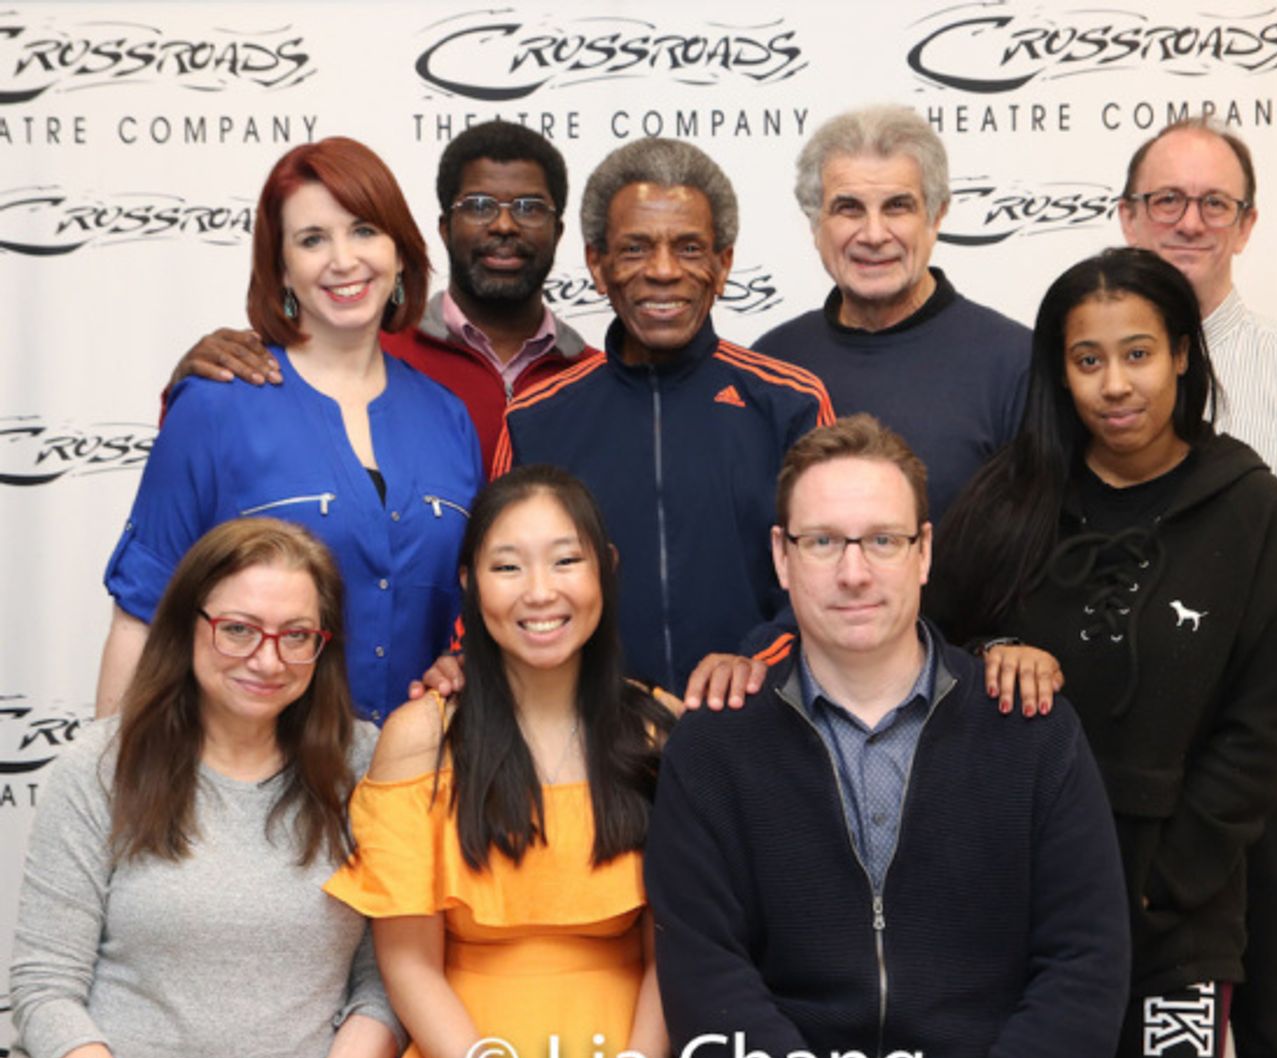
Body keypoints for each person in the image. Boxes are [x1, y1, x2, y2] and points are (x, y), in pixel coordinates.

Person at [645, 415, 1131, 1058]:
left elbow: (1084, 967)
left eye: (882, 540)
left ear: (924, 552)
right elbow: (707, 982)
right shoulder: (714, 750)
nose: (854, 572)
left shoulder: (1029, 733)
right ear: (782, 557)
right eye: (822, 542)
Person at [932, 248, 1277, 1058]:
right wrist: (992, 646)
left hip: (1179, 912)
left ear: (1183, 353)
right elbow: (920, 654)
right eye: (1087, 359)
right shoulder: (1008, 497)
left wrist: (1156, 886)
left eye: (1138, 353)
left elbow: (1263, 731)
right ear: (1059, 372)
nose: (1115, 385)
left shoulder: (1253, 509)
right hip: (1018, 914)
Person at [3, 518, 401, 1058]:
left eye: (296, 635)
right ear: (186, 625)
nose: (268, 661)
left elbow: (385, 984)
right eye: (237, 630)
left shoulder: (365, 766)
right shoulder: (98, 767)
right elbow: (46, 988)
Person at [1119, 118, 1277, 1058]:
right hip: (1117, 777)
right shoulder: (1073, 368)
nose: (1187, 221)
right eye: (1164, 200)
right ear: (1126, 215)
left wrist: (1204, 719)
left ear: (1246, 224)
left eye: (1212, 203)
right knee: (1143, 1024)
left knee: (1275, 1030)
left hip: (1246, 771)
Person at [325, 465, 684, 1058]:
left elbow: (677, 951)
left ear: (605, 569)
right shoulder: (421, 738)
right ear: (470, 584)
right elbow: (408, 965)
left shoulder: (661, 732)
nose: (540, 592)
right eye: (508, 567)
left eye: (566, 560)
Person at [96, 136, 482, 724]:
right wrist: (114, 796)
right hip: (251, 785)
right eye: (312, 240)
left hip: (417, 785)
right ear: (281, 267)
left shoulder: (447, 418)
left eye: (363, 231)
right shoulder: (215, 405)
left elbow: (470, 617)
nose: (344, 260)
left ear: (400, 252)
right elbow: (140, 616)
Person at [490, 137, 835, 698]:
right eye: (635, 249)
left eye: (690, 248)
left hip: (758, 726)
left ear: (722, 265)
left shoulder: (789, 403)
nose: (664, 270)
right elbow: (496, 579)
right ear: (597, 266)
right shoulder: (535, 417)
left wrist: (755, 661)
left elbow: (834, 572)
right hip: (590, 743)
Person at [172, 120, 591, 463]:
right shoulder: (372, 356)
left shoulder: (596, 379)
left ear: (558, 232)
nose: (503, 225)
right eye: (479, 206)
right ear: (443, 228)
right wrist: (189, 382)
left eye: (529, 208)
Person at [752, 104, 1030, 525]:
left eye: (898, 207)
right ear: (814, 223)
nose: (875, 234)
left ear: (936, 217)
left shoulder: (1015, 362)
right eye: (849, 208)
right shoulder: (772, 362)